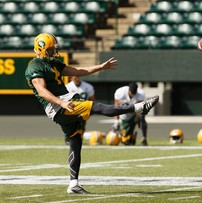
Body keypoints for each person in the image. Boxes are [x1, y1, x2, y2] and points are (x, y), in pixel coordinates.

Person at [25, 33, 159, 194]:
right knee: (97, 107)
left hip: (64, 104)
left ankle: (73, 184)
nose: (54, 52)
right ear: (41, 49)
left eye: (54, 49)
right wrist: (61, 103)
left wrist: (100, 67)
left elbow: (79, 70)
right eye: (51, 49)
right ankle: (138, 108)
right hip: (59, 106)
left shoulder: (54, 63)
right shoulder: (35, 66)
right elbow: (41, 90)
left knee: (76, 142)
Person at [65, 76, 95, 145]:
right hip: (72, 110)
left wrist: (91, 111)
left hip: (83, 110)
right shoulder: (67, 87)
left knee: (81, 127)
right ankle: (68, 139)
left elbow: (92, 99)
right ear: (71, 78)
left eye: (78, 77)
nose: (77, 79)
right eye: (75, 77)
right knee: (69, 125)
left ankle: (78, 140)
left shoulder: (88, 86)